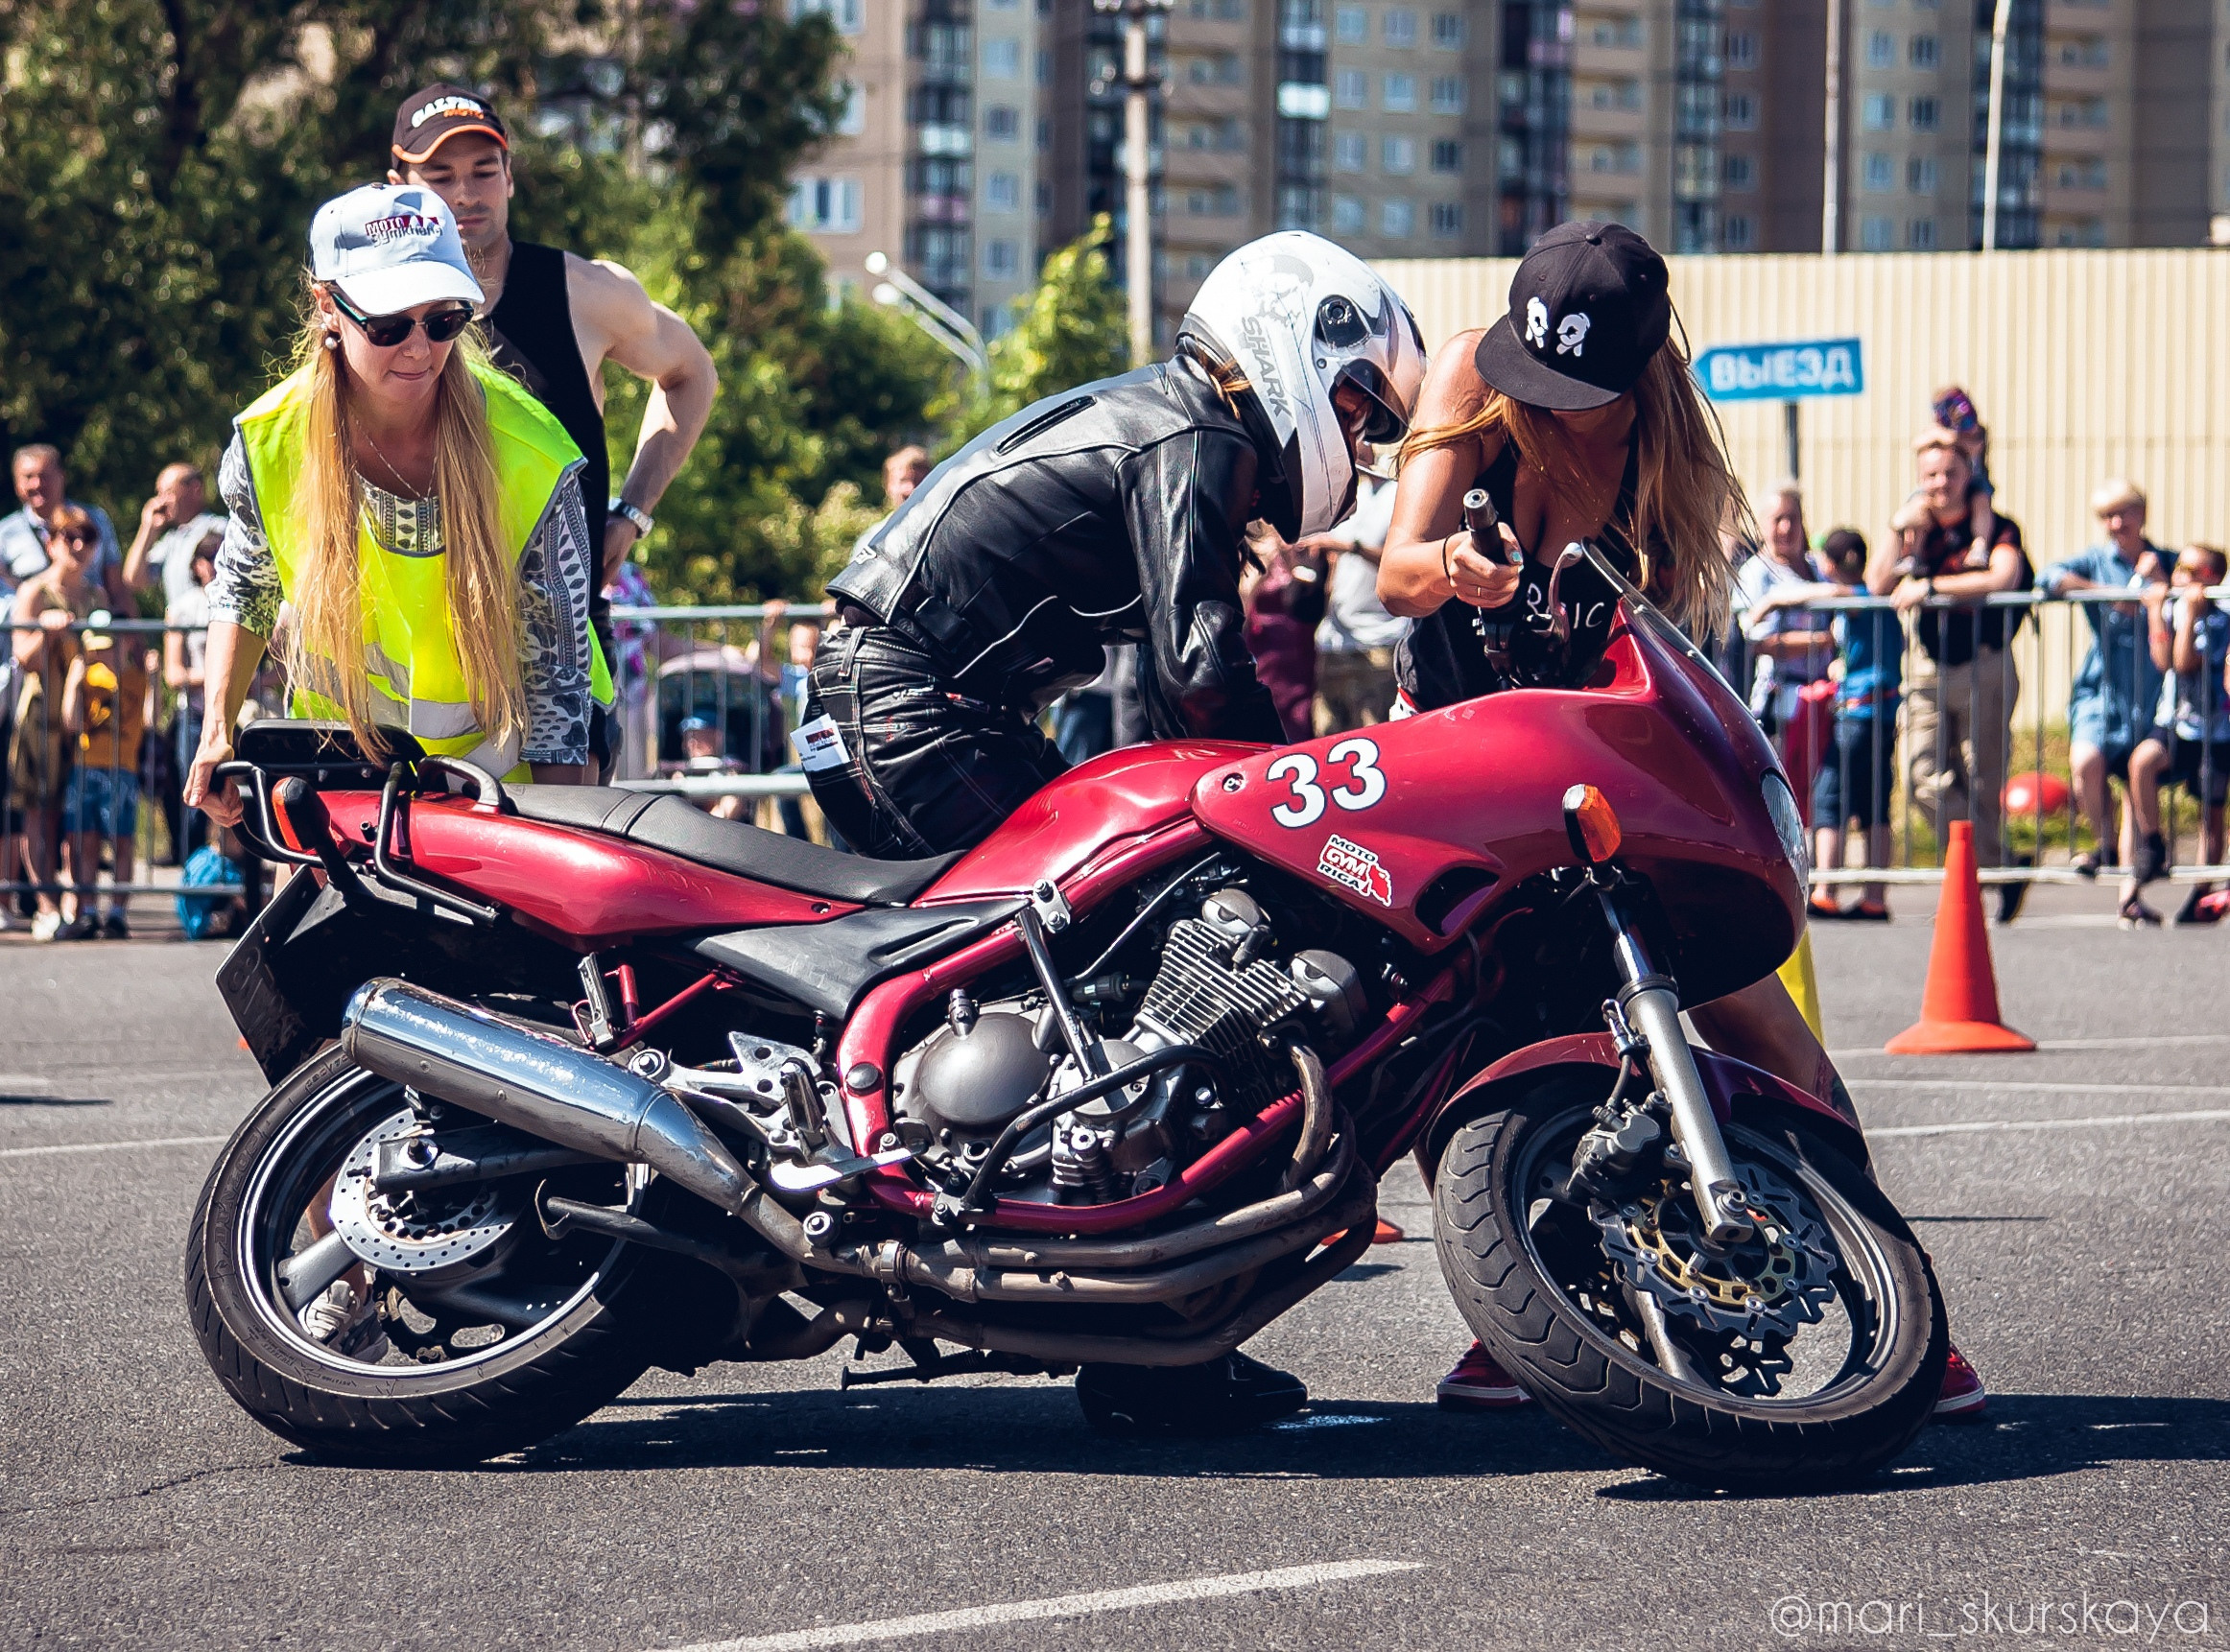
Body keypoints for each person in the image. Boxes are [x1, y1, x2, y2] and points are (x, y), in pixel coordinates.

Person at [808, 231, 1426, 1434]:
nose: (1356, 440)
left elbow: (1166, 700)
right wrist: (1303, 798)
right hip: (912, 706)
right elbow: (1201, 673)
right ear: (1289, 348)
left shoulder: (1175, 430)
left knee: (1116, 949)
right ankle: (1144, 1344)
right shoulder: (1192, 436)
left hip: (908, 700)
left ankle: (1128, 1312)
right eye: (1354, 404)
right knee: (1120, 972)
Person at [1373, 222, 1986, 1421]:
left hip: (1583, 756)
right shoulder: (1466, 376)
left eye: (1574, 393)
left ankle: (1911, 1316)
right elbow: (1394, 570)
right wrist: (1454, 561)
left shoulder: (1667, 461)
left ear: (1641, 372)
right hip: (1445, 756)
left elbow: (1659, 662)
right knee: (1433, 1046)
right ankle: (1523, 1319)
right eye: (1528, 375)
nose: (1542, 408)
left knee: (1749, 1024)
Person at [184, 182, 605, 854]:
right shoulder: (271, 440)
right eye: (387, 324)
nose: (418, 349)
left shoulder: (531, 453)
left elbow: (556, 685)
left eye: (443, 320)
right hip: (342, 754)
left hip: (509, 768)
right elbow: (245, 587)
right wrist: (216, 732)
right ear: (328, 307)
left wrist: (560, 853)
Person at [390, 83, 717, 778]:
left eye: (483, 170)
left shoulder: (584, 292)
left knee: (560, 870)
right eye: (440, 177)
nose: (466, 194)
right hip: (417, 653)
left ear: (510, 177)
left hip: (558, 647)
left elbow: (691, 374)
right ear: (399, 188)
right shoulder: (373, 317)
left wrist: (630, 513)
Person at [1880, 430, 2034, 925]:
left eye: (1949, 473)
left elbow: (2000, 577)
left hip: (1985, 664)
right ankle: (1999, 867)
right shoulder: (1916, 528)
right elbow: (1874, 583)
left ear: (1969, 476)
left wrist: (1930, 586)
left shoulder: (1996, 527)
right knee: (1921, 777)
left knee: (1983, 778)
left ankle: (1981, 876)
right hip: (1927, 666)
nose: (1940, 483)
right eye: (1930, 475)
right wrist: (1895, 527)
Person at [2040, 480, 2167, 880]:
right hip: (2102, 688)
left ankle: (2133, 881)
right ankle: (2104, 844)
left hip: (2150, 691)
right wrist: (2108, 593)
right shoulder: (2095, 561)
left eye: (2123, 513)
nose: (2115, 523)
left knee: (2135, 777)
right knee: (2086, 762)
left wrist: (2160, 580)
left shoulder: (2164, 557)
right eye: (2106, 517)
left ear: (2141, 514)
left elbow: (2202, 580)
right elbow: (2049, 577)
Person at [10, 505, 103, 939]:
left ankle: (78, 906)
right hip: (40, 717)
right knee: (39, 812)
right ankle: (45, 905)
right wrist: (46, 632)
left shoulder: (95, 596)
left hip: (87, 724)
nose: (80, 546)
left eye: (88, 537)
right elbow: (22, 659)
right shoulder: (34, 591)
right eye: (70, 537)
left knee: (78, 815)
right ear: (52, 543)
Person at [2127, 546, 2229, 926]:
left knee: (2210, 813)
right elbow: (2162, 660)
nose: (2181, 575)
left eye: (2192, 569)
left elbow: (2184, 662)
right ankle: (2153, 843)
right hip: (2176, 721)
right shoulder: (2174, 605)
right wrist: (2156, 606)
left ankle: (2202, 893)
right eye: (2179, 567)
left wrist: (2189, 617)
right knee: (2142, 762)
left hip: (2215, 728)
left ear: (2211, 577)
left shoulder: (2219, 617)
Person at [1810, 530, 1902, 920]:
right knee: (1873, 805)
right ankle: (1875, 897)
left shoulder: (1859, 599)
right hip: (1879, 713)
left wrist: (1777, 599)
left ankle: (1825, 889)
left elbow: (1836, 599)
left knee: (1828, 798)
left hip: (1860, 713)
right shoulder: (1876, 603)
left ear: (1830, 565)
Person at [1736, 483, 1836, 829]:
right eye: (1778, 519)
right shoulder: (1755, 573)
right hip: (1780, 700)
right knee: (1779, 793)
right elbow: (1758, 639)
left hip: (1822, 697)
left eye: (1793, 518)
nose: (1786, 528)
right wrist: (1820, 641)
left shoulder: (1815, 568)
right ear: (1762, 524)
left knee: (1821, 789)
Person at [60, 613, 154, 938]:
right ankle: (86, 910)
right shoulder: (88, 677)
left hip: (122, 770)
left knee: (122, 842)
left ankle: (117, 912)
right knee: (84, 841)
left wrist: (153, 681)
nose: (103, 655)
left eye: (109, 647)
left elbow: (150, 720)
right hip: (86, 766)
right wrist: (74, 681)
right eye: (98, 649)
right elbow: (71, 722)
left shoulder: (136, 677)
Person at [1309, 469, 1407, 733]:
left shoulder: (1401, 493)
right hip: (1334, 643)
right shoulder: (1352, 494)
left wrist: (1354, 547)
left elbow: (1405, 563)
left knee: (1376, 740)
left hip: (1379, 643)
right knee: (1325, 744)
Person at [3, 445, 126, 608]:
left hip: (91, 621)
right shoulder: (5, 533)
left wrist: (130, 627)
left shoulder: (95, 519)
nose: (37, 484)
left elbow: (117, 586)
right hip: (32, 625)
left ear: (62, 476)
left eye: (44, 476)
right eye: (28, 477)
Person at [164, 531, 221, 861]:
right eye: (210, 557)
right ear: (197, 565)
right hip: (196, 715)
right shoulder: (184, 608)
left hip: (237, 713)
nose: (216, 564)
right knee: (196, 797)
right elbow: (174, 674)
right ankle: (193, 873)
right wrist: (219, 677)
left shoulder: (244, 600)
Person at [1241, 529, 1328, 741]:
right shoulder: (1258, 558)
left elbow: (1319, 603)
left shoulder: (1310, 555)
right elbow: (1241, 610)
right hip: (1263, 661)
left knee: (1301, 731)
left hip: (1299, 662)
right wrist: (1263, 569)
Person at [121, 462, 225, 609]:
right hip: (178, 630)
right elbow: (133, 579)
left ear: (195, 489)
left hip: (210, 626)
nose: (161, 502)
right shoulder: (171, 540)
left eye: (168, 492)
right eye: (159, 494)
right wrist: (147, 529)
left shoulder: (219, 529)